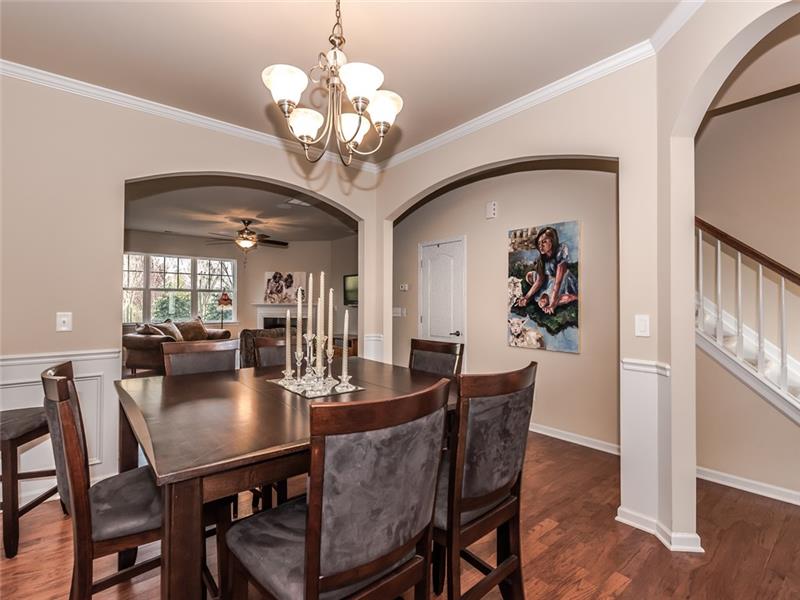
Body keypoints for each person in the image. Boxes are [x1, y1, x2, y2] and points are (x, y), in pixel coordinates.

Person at [516, 226, 578, 315]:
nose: (541, 246)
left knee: (559, 300)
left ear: (552, 241)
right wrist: (526, 297)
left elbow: (558, 282)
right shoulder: (542, 257)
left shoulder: (561, 250)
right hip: (548, 279)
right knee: (529, 276)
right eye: (539, 243)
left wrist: (552, 305)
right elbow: (539, 280)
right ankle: (545, 296)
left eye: (544, 242)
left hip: (562, 280)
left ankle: (574, 297)